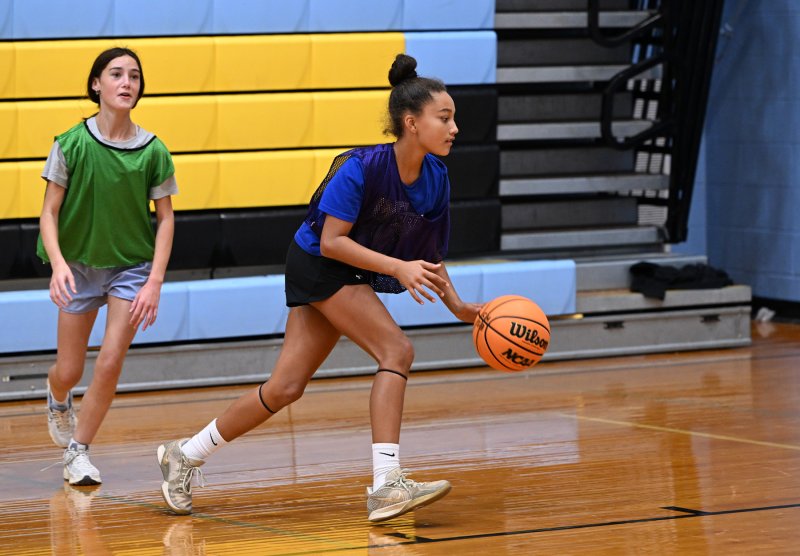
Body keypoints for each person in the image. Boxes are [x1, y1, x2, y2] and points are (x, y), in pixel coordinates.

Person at [157, 53, 479, 522]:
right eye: (444, 118)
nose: (454, 128)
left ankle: (183, 455)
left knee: (285, 387)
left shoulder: (436, 178)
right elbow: (331, 242)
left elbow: (429, 258)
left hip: (349, 269)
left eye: (454, 119)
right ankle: (387, 484)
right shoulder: (360, 167)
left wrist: (459, 306)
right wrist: (397, 266)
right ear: (411, 122)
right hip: (317, 262)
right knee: (397, 351)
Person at [40, 47, 177, 486]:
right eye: (116, 74)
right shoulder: (69, 143)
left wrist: (154, 281)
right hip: (78, 266)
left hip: (131, 269)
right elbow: (48, 212)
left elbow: (166, 218)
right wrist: (58, 263)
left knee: (111, 359)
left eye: (134, 76)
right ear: (96, 84)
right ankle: (58, 396)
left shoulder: (153, 149)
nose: (126, 82)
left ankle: (78, 451)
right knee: (70, 370)